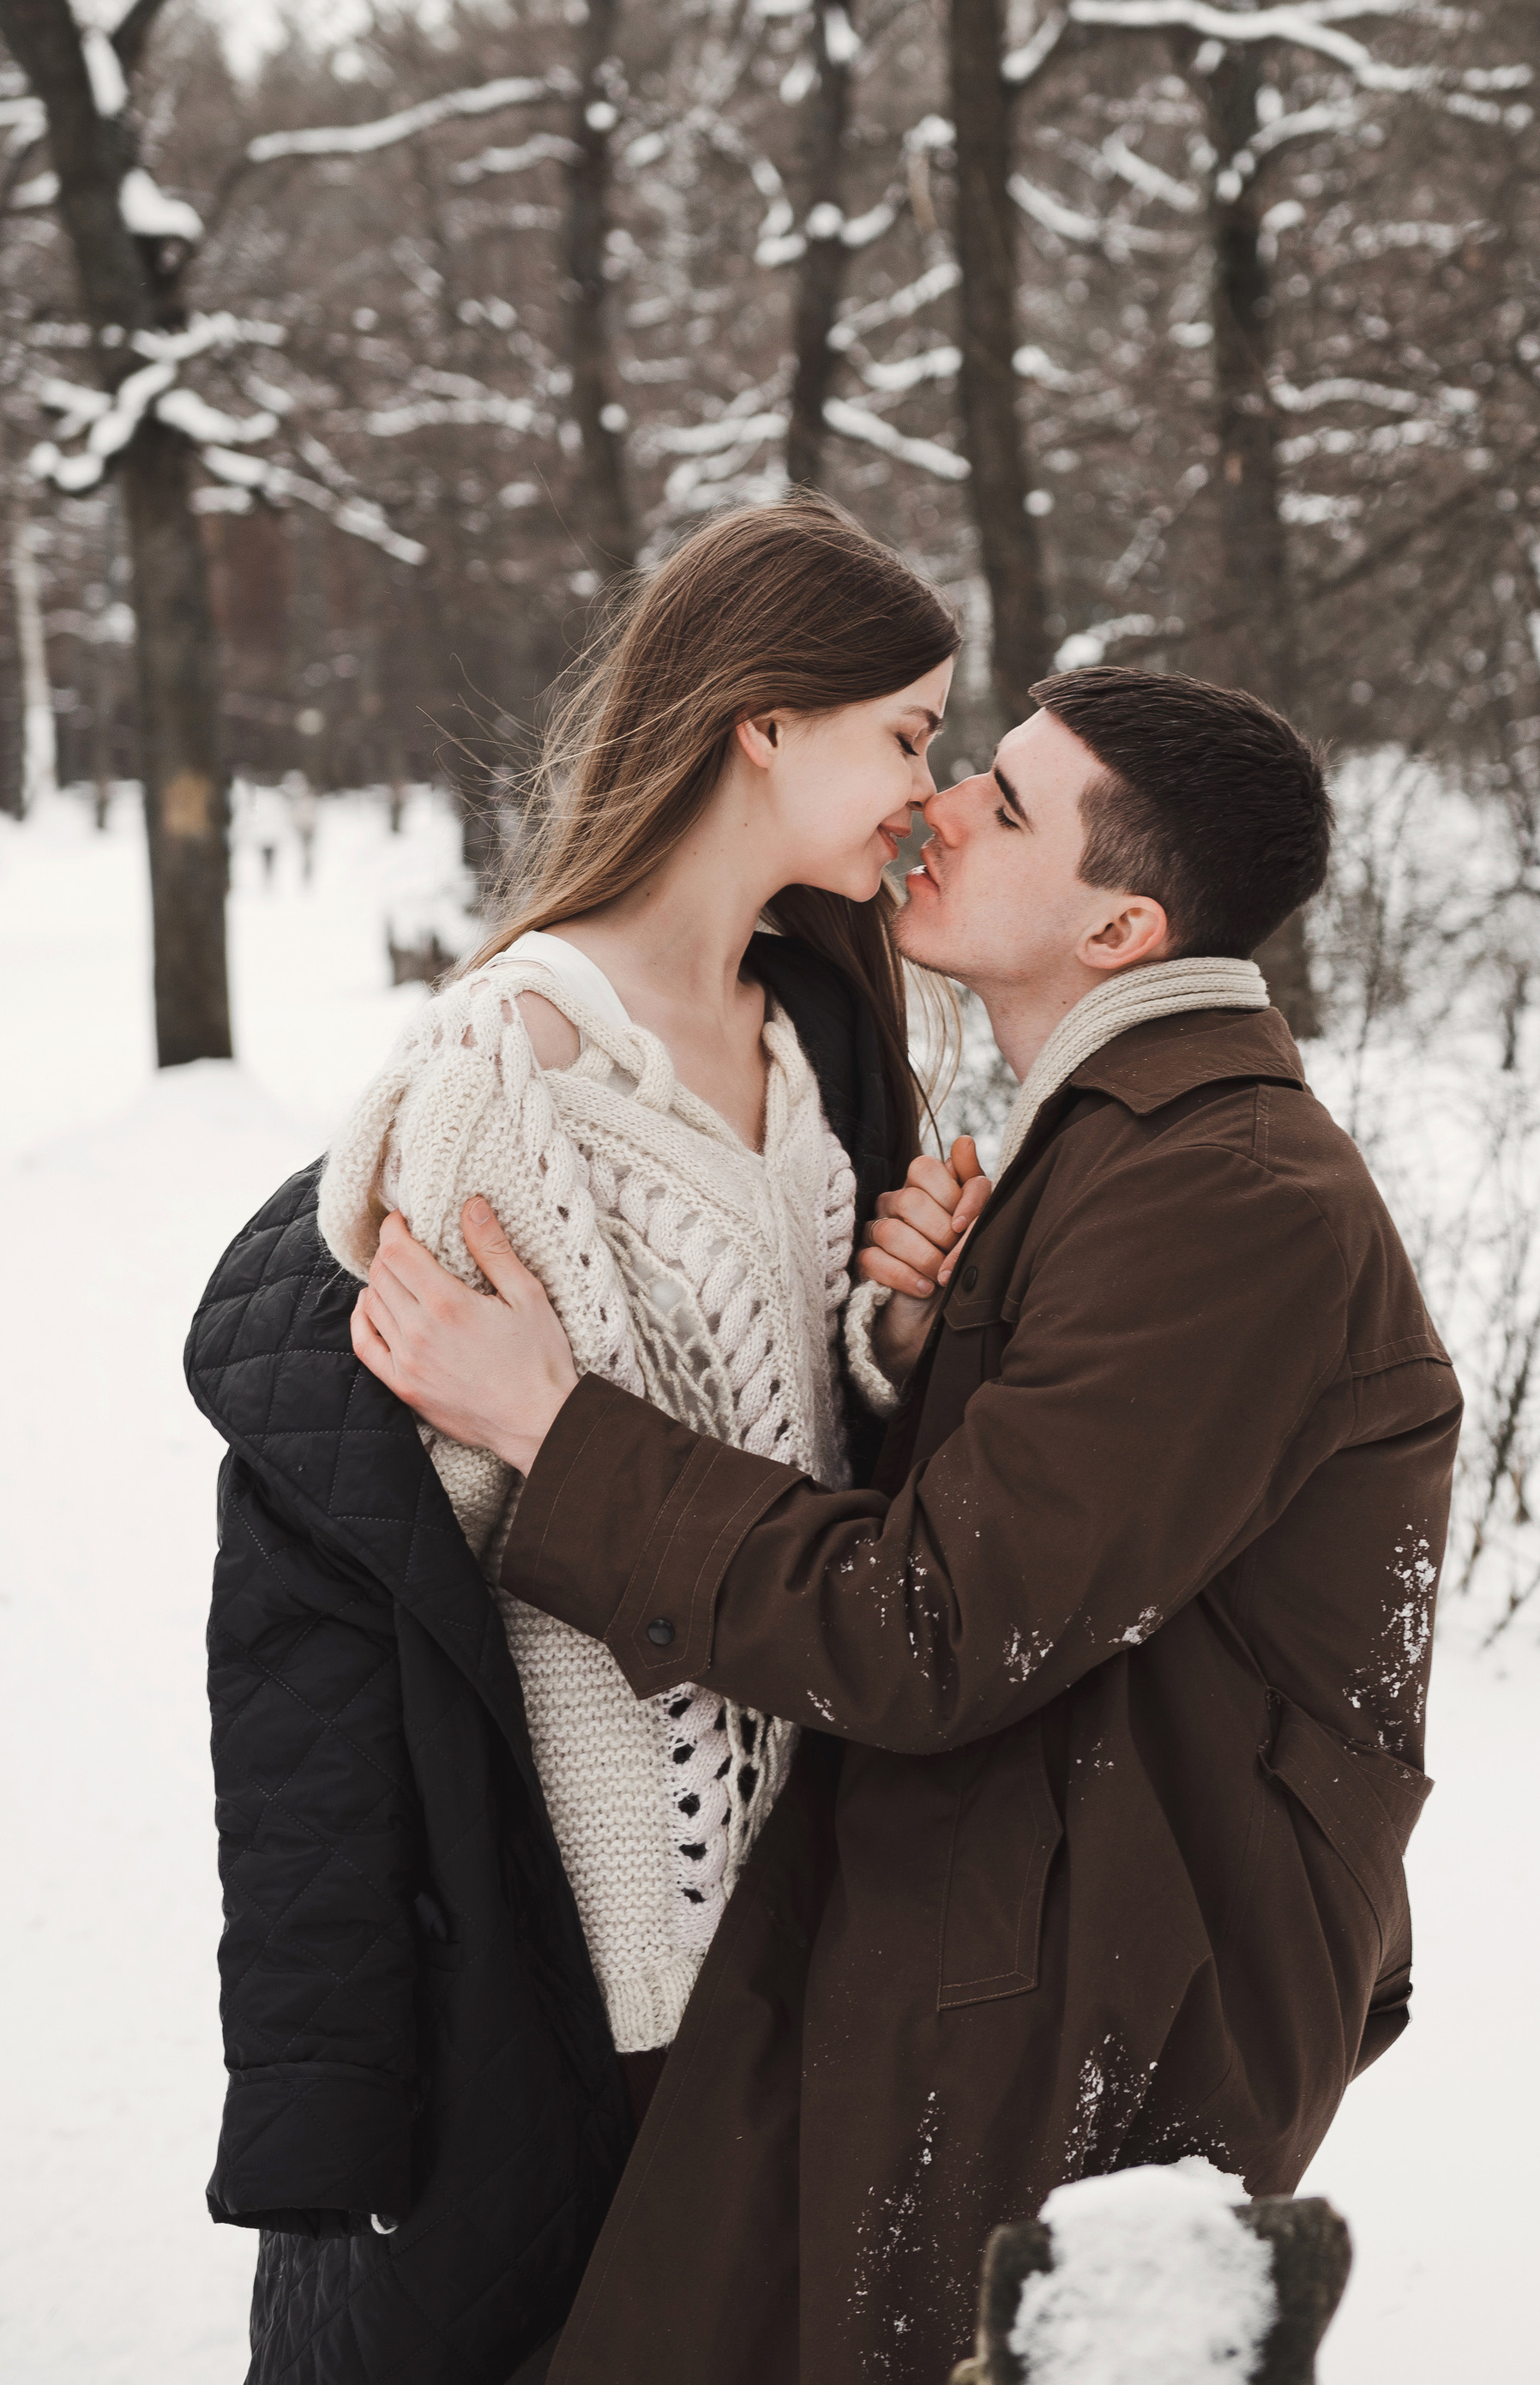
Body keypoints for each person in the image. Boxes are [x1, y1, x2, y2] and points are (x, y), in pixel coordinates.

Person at [348, 663, 1462, 2385]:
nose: (939, 807)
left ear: (1118, 929)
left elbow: (935, 1629)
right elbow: (1065, 1551)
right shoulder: (1121, 1154)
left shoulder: (1222, 1198)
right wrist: (917, 1353)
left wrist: (557, 1436)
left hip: (1089, 2003)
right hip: (995, 1939)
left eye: (1004, 806)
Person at [184, 497, 960, 2385]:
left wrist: (899, 1335)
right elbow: (424, 1584)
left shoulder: (819, 1043)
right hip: (614, 1981)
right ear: (763, 723)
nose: (928, 795)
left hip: (824, 1942)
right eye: (908, 736)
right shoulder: (502, 1082)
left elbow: (808, 1477)